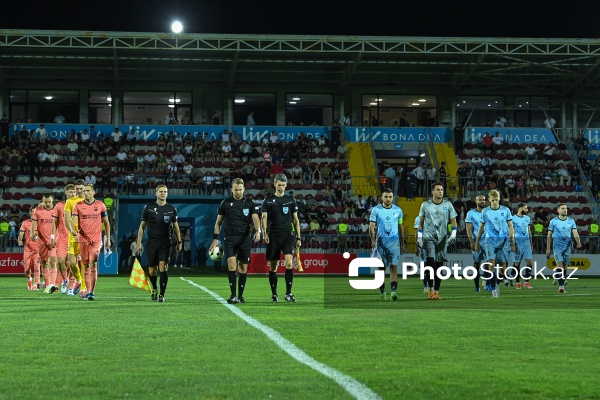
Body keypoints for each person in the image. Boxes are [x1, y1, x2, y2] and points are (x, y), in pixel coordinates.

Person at [210, 178, 261, 304]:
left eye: (240, 189)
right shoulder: (225, 203)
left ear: (244, 189)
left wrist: (258, 230)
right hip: (230, 238)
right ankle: (233, 295)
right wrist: (215, 239)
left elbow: (255, 219)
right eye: (236, 189)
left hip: (245, 239)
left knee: (243, 267)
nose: (238, 192)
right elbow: (218, 223)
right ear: (231, 189)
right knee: (232, 266)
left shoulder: (250, 203)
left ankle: (240, 296)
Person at [135, 184, 182, 302]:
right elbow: (142, 227)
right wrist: (138, 242)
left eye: (165, 191)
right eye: (160, 191)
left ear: (167, 194)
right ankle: (154, 288)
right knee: (152, 270)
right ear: (156, 193)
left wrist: (179, 241)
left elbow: (176, 227)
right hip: (152, 242)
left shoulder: (171, 209)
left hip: (166, 242)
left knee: (163, 266)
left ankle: (162, 294)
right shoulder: (148, 207)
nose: (163, 193)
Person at [261, 173, 301, 303]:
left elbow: (296, 220)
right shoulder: (268, 200)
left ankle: (288, 293)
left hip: (287, 236)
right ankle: (274, 294)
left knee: (289, 263)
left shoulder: (291, 200)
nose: (281, 187)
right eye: (279, 185)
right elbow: (264, 218)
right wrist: (265, 233)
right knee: (274, 267)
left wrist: (298, 237)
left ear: (286, 185)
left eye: (283, 185)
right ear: (274, 184)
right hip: (273, 236)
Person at [417, 182, 457, 300]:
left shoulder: (448, 205)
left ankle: (437, 291)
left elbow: (453, 221)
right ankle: (430, 289)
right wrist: (419, 237)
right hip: (429, 237)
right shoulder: (425, 205)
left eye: (442, 190)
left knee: (439, 265)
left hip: (442, 238)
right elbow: (420, 222)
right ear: (432, 192)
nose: (441, 191)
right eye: (438, 189)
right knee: (431, 262)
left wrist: (453, 235)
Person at [474, 189, 516, 298]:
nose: (495, 202)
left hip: (503, 241)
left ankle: (496, 283)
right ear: (489, 199)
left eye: (496, 200)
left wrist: (512, 241)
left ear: (499, 199)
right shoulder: (485, 212)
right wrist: (477, 242)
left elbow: (511, 226)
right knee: (491, 265)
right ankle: (493, 289)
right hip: (489, 241)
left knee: (503, 268)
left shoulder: (506, 210)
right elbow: (481, 228)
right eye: (493, 200)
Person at [72, 185, 111, 300]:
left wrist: (108, 239)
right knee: (85, 265)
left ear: (94, 192)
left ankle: (91, 292)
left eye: (88, 191)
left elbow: (107, 223)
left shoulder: (100, 205)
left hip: (96, 240)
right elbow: (73, 221)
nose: (86, 192)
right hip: (83, 240)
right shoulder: (78, 206)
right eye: (84, 191)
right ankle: (87, 290)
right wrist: (73, 230)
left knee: (93, 263)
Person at [369, 188, 405, 301]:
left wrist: (402, 243)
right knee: (381, 269)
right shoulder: (376, 210)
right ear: (382, 198)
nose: (388, 199)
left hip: (394, 243)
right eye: (386, 197)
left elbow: (400, 227)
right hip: (381, 243)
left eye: (390, 197)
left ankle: (393, 292)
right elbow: (371, 226)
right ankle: (382, 292)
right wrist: (373, 240)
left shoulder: (398, 210)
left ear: (392, 197)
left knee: (393, 267)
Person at [546, 203, 583, 293]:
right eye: (562, 208)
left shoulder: (571, 221)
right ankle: (561, 287)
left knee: (565, 267)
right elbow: (549, 235)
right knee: (560, 266)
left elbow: (575, 233)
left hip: (567, 246)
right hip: (557, 247)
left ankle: (557, 277)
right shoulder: (553, 221)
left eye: (566, 208)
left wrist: (578, 242)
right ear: (558, 210)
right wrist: (548, 248)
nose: (565, 210)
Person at [50, 184, 76, 294]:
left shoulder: (78, 205)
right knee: (60, 261)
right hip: (62, 238)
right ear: (65, 192)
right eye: (70, 191)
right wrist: (52, 237)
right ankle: (64, 280)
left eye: (74, 191)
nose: (72, 193)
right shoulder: (59, 206)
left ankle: (71, 285)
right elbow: (54, 223)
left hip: (74, 238)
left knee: (72, 263)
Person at [32, 193, 59, 294]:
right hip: (41, 241)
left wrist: (56, 238)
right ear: (43, 201)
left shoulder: (57, 210)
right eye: (46, 202)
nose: (48, 204)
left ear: (53, 201)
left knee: (53, 261)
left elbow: (60, 226)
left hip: (53, 241)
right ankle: (47, 285)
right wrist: (33, 233)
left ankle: (52, 285)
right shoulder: (38, 210)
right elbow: (34, 224)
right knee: (44, 263)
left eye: (50, 202)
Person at [64, 179, 86, 297]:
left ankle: (83, 289)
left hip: (85, 237)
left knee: (84, 263)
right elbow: (67, 220)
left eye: (80, 189)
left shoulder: (88, 201)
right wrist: (73, 232)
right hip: (73, 236)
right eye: (76, 189)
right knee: (72, 263)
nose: (78, 191)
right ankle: (78, 280)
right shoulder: (70, 202)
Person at [510, 203, 534, 289]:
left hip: (526, 243)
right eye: (525, 208)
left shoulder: (527, 218)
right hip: (517, 243)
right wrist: (512, 244)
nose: (527, 210)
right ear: (519, 208)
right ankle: (518, 282)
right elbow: (511, 232)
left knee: (529, 262)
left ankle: (527, 282)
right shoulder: (513, 219)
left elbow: (529, 231)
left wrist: (531, 243)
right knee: (517, 263)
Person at [465, 194, 486, 292]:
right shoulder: (471, 213)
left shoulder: (488, 212)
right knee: (477, 264)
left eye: (483, 200)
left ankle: (486, 281)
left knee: (489, 263)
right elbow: (468, 228)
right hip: (476, 241)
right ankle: (477, 285)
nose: (482, 201)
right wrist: (471, 242)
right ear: (476, 202)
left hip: (488, 241)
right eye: (480, 200)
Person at [18, 206, 40, 290]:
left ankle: (35, 284)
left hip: (37, 249)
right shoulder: (25, 223)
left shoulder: (40, 223)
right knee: (26, 269)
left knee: (37, 267)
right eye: (33, 212)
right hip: (28, 249)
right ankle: (29, 279)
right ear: (30, 213)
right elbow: (21, 233)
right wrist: (20, 240)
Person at [413, 215, 428, 293]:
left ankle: (431, 286)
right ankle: (425, 286)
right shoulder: (418, 218)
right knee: (423, 266)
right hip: (422, 245)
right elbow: (416, 232)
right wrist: (416, 246)